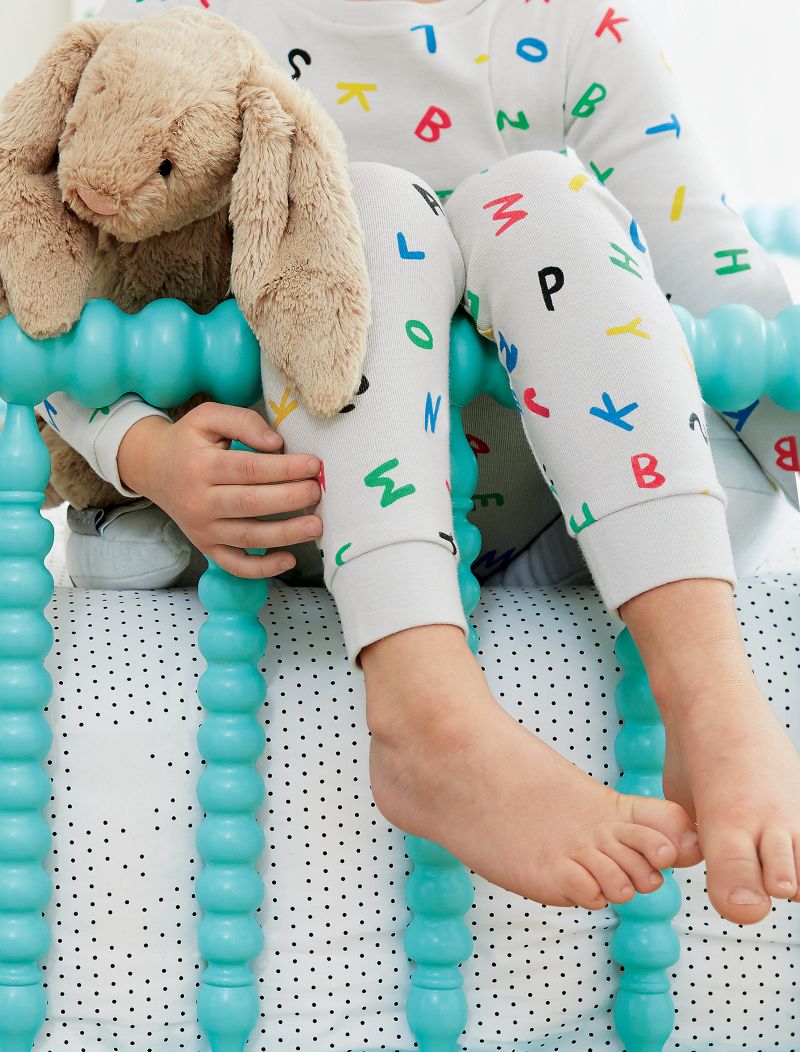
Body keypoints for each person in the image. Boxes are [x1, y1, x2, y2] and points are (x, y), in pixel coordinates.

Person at [42, 0, 800, 924]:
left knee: (546, 194)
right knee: (370, 206)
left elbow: (737, 306)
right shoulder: (175, 24)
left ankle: (713, 700)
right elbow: (40, 289)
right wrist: (144, 450)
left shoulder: (575, 31)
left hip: (537, 508)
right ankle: (427, 714)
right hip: (293, 503)